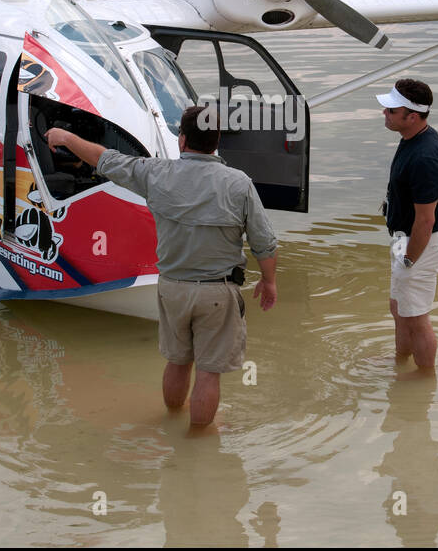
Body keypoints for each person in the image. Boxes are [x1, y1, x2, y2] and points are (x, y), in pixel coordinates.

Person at [46, 106, 278, 427]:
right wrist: (269, 281)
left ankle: (171, 423)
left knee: (177, 362)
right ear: (217, 140)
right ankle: (197, 445)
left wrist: (66, 137)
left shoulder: (155, 173)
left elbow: (106, 159)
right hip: (217, 292)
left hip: (171, 289)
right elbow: (264, 242)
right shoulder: (239, 184)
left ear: (182, 139)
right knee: (208, 374)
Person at [377, 78, 438, 370]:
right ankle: (400, 362)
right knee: (399, 310)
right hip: (405, 241)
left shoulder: (424, 157)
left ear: (413, 116)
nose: (385, 113)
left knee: (417, 318)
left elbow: (426, 219)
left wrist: (409, 260)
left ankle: (424, 381)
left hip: (420, 245)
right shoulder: (413, 138)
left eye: (392, 111)